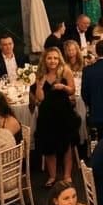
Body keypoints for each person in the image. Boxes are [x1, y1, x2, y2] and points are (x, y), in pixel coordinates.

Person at [30, 46, 80, 184]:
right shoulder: (40, 74)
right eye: (50, 58)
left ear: (59, 59)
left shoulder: (65, 71)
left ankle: (67, 175)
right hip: (47, 114)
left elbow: (72, 91)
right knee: (48, 146)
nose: (53, 61)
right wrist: (39, 85)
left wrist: (63, 87)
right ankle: (52, 176)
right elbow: (40, 98)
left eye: (55, 58)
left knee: (66, 145)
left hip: (63, 113)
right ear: (45, 60)